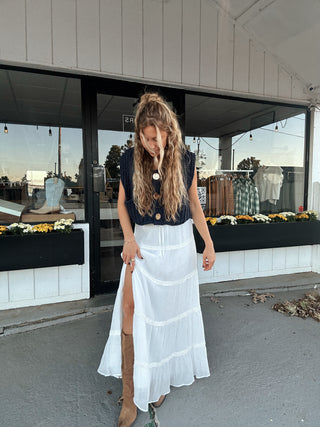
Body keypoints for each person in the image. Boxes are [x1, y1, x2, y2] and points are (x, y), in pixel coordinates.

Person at [98, 93, 216, 427]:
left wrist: (207, 244)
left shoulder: (187, 160)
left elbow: (194, 205)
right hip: (143, 245)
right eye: (146, 138)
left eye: (156, 137)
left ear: (168, 131)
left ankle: (159, 380)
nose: (152, 143)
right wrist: (129, 238)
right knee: (130, 310)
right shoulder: (128, 160)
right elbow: (121, 204)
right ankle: (130, 393)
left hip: (178, 248)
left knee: (168, 316)